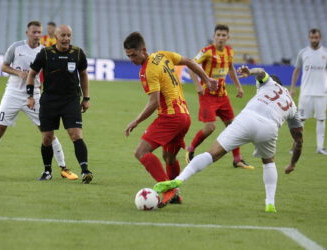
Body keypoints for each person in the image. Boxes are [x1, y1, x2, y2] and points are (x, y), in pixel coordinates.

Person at [154, 66, 303, 213]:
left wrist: (250, 72)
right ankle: (270, 204)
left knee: (212, 153)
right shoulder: (293, 106)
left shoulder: (268, 83)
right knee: (269, 162)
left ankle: (179, 179)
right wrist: (292, 164)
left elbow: (261, 72)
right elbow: (298, 140)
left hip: (247, 118)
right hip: (269, 128)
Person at [123, 32, 218, 207]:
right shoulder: (162, 55)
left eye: (134, 55)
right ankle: (175, 194)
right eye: (128, 56)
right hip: (184, 117)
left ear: (143, 50)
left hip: (170, 118)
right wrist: (206, 78)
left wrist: (135, 121)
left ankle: (169, 190)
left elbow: (154, 102)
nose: (131, 59)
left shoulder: (147, 71)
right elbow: (189, 61)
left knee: (141, 152)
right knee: (169, 157)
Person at [0, 21, 75, 180]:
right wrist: (18, 73)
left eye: (39, 32)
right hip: (12, 93)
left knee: (47, 132)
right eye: (34, 32)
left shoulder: (44, 51)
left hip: (35, 96)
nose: (37, 35)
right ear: (27, 33)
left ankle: (64, 168)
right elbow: (3, 67)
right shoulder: (16, 48)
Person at [26, 24, 93, 184]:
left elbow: (83, 75)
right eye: (63, 35)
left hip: (71, 100)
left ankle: (85, 171)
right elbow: (32, 74)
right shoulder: (46, 53)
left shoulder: (77, 53)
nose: (66, 39)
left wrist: (86, 98)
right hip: (50, 101)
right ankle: (47, 171)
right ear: (56, 37)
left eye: (69, 35)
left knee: (76, 134)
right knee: (47, 138)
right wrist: (30, 96)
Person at [186, 24, 254, 169]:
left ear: (228, 37)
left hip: (222, 96)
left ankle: (237, 159)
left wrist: (238, 86)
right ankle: (191, 149)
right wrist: (198, 85)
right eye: (218, 35)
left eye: (224, 35)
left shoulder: (230, 51)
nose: (221, 38)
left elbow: (230, 68)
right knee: (210, 127)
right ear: (214, 36)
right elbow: (191, 64)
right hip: (207, 95)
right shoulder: (207, 51)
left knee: (234, 126)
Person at [290, 28, 327, 155]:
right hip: (306, 93)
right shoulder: (303, 53)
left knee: (321, 119)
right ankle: (296, 145)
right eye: (312, 38)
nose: (314, 40)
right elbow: (296, 71)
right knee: (301, 120)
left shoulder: (325, 53)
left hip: (322, 93)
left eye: (316, 37)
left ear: (320, 38)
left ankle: (320, 148)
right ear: (309, 38)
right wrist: (293, 88)